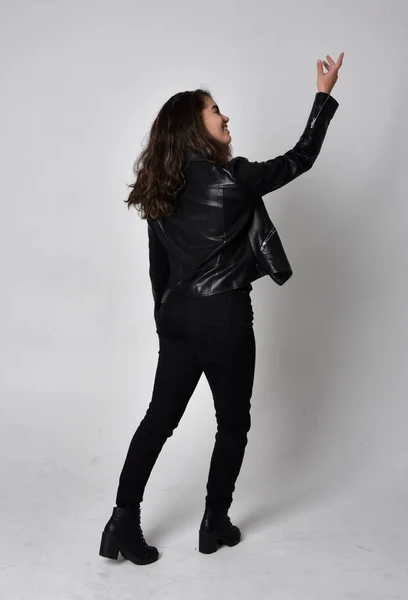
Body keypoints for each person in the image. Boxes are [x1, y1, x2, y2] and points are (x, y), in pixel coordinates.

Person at [99, 52, 344, 565]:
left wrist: (167, 323)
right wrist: (323, 95)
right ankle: (214, 523)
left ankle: (121, 522)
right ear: (195, 128)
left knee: (157, 420)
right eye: (215, 110)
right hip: (224, 317)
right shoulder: (233, 178)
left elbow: (157, 272)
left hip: (177, 318)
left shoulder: (160, 191)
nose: (225, 116)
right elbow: (301, 158)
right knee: (232, 422)